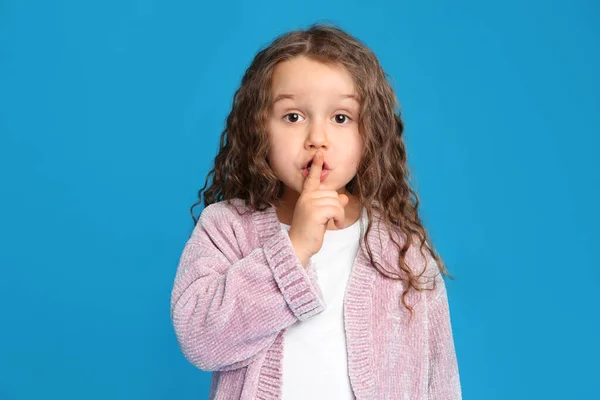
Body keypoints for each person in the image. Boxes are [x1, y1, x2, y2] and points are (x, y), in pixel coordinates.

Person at [170, 23, 462, 400]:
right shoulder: (227, 228)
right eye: (293, 116)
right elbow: (201, 340)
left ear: (369, 133)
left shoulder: (403, 249)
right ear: (260, 129)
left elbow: (439, 379)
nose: (317, 138)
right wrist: (294, 249)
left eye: (341, 117)